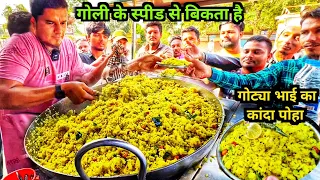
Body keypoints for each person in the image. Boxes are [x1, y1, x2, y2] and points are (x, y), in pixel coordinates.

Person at [0, 0, 116, 173]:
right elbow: (4, 95)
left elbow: (85, 78)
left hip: (56, 133)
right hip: (22, 135)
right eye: (50, 23)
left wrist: (115, 62)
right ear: (34, 23)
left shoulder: (68, 45)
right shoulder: (18, 46)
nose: (59, 30)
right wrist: (61, 89)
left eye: (62, 23)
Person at [180, 7, 320, 112]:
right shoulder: (284, 68)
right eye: (305, 32)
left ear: (268, 56)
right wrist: (205, 71)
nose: (310, 38)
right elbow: (248, 81)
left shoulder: (274, 66)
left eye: (318, 31)